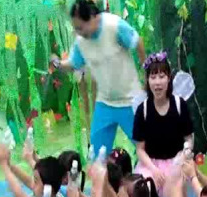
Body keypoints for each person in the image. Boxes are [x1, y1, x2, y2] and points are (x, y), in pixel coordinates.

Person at [51, 0, 145, 154]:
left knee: (146, 150)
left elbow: (138, 42)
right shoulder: (81, 42)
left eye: (80, 27)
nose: (78, 32)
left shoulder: (114, 26)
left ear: (93, 17)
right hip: (105, 103)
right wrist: (58, 64)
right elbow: (74, 63)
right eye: (76, 28)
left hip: (130, 101)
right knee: (96, 154)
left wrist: (146, 75)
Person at [132, 52, 195, 197]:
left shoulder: (179, 105)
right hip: (150, 166)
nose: (157, 82)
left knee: (178, 192)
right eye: (153, 77)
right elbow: (140, 149)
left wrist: (184, 154)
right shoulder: (143, 110)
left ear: (169, 78)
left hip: (177, 163)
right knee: (146, 189)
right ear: (147, 80)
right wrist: (154, 170)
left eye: (161, 76)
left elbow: (189, 138)